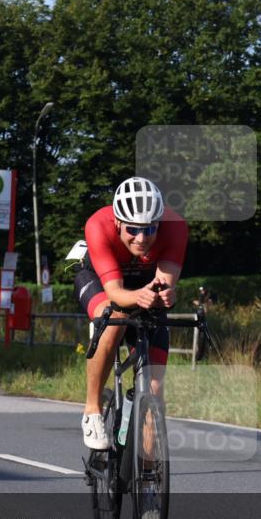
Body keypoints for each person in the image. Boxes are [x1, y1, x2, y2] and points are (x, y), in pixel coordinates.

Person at [74, 177, 188, 450]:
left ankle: (147, 475)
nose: (141, 238)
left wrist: (166, 295)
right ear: (117, 223)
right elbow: (115, 293)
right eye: (133, 229)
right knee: (114, 317)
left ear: (159, 223)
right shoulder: (98, 225)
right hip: (101, 280)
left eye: (150, 229)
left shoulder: (176, 228)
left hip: (143, 283)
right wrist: (139, 296)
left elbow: (164, 284)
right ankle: (92, 410)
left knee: (155, 389)